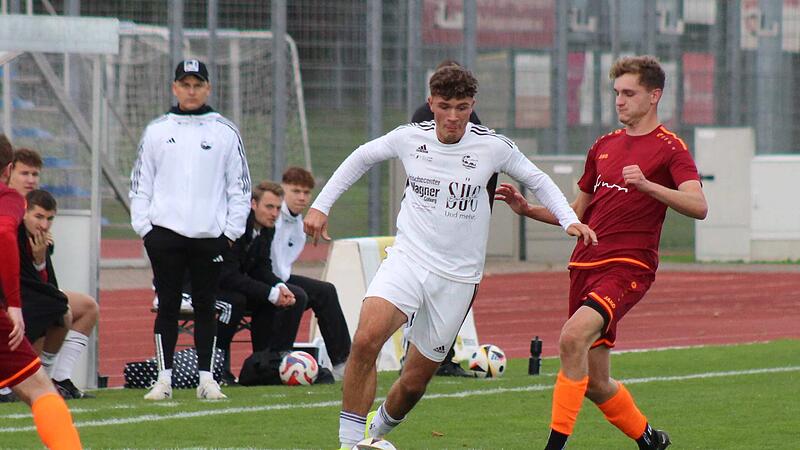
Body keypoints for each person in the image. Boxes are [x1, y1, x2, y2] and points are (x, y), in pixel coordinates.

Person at [303, 65, 596, 449]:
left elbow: (537, 178)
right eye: (445, 106)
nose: (454, 116)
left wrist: (569, 220)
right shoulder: (410, 138)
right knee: (365, 340)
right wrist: (321, 205)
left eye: (462, 107)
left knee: (413, 383)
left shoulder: (492, 146)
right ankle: (349, 443)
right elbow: (361, 157)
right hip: (408, 260)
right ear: (431, 104)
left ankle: (376, 432)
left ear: (472, 105)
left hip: (457, 279)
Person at [496, 55, 707, 450]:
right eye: (616, 93)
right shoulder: (603, 146)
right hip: (583, 265)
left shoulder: (670, 148)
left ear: (654, 96)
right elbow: (576, 213)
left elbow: (698, 206)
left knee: (571, 337)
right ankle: (650, 439)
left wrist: (648, 186)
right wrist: (528, 210)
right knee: (595, 382)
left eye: (629, 93)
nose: (619, 101)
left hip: (627, 267)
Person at [129, 59, 251, 400]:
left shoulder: (224, 132)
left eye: (198, 84)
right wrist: (145, 229)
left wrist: (230, 233)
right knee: (167, 305)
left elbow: (240, 187)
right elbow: (140, 183)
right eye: (185, 84)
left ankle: (206, 380)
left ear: (208, 88)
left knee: (205, 306)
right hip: (164, 235)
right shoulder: (157, 131)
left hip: (210, 237)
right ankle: (163, 380)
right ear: (175, 88)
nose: (191, 91)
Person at [0, 136, 82, 448]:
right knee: (41, 390)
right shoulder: (9, 199)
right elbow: (3, 235)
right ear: (8, 169)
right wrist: (14, 305)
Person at [7, 149, 99, 400]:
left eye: (35, 174)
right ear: (9, 172)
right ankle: (25, 382)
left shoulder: (34, 213)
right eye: (24, 173)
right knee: (51, 310)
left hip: (29, 287)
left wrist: (39, 260)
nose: (30, 179)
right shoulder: (8, 211)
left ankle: (59, 379)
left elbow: (41, 275)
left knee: (86, 307)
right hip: (12, 292)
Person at [410, 59, 480, 378]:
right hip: (428, 216)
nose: (453, 115)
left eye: (461, 106)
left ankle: (443, 355)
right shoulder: (421, 118)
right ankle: (418, 355)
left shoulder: (472, 120)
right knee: (423, 289)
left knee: (455, 290)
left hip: (461, 218)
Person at [215, 181, 304, 378]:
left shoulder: (267, 228)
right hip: (206, 284)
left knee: (291, 297)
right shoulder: (236, 226)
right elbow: (228, 275)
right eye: (269, 207)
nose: (274, 213)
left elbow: (261, 267)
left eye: (278, 208)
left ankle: (263, 365)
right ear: (253, 204)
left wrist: (279, 286)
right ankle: (217, 368)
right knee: (236, 302)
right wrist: (270, 293)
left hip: (232, 283)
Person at [271, 166, 350, 379]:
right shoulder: (273, 216)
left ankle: (343, 364)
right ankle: (280, 359)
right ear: (283, 189)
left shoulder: (298, 223)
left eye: (306, 192)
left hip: (280, 278)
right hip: (262, 278)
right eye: (295, 191)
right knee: (298, 295)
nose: (302, 197)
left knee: (326, 291)